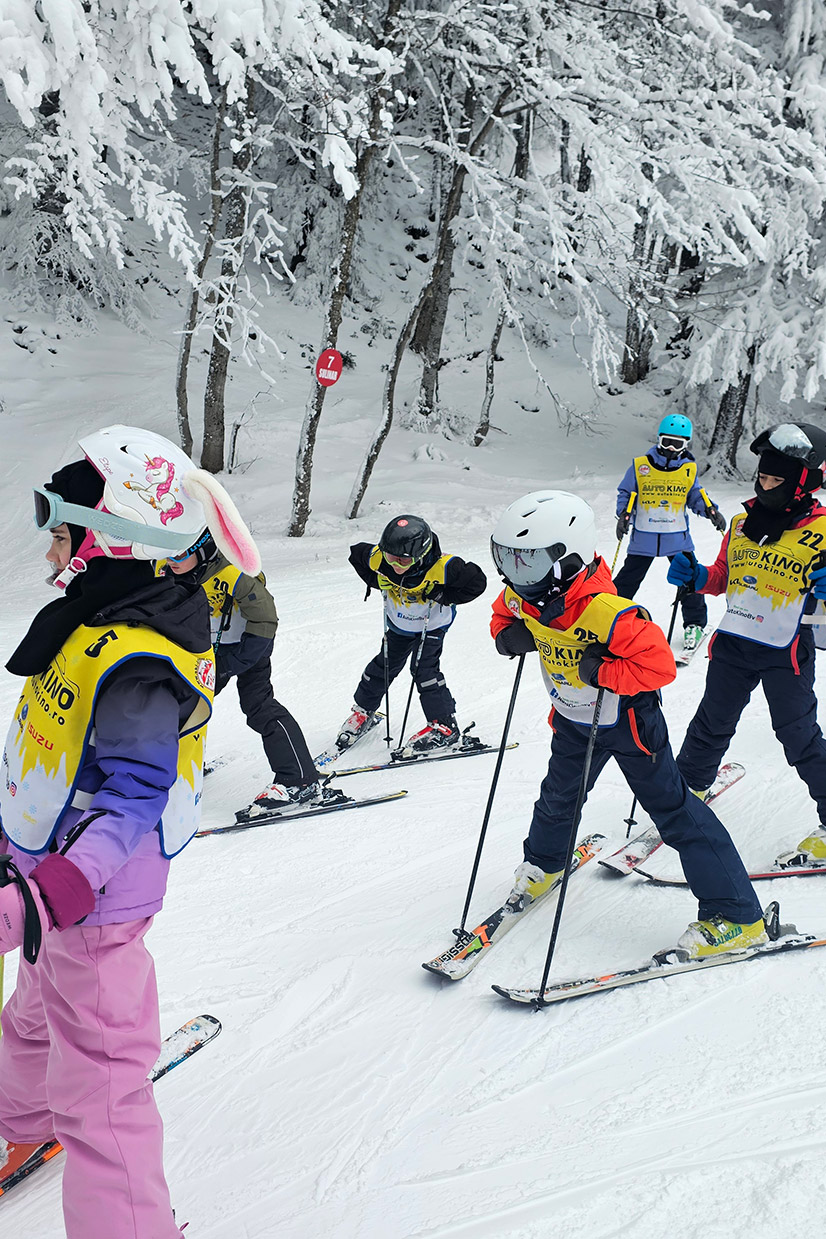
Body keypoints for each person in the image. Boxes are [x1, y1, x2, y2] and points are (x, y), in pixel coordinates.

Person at [0, 424, 257, 1238]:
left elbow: (134, 798)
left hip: (93, 905)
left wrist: (46, 895)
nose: (51, 548)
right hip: (44, 884)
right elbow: (49, 743)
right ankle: (21, 1123)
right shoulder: (92, 621)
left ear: (115, 542)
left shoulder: (140, 665)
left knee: (102, 1090)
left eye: (63, 530)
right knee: (29, 1014)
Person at [490, 489, 765, 959]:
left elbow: (660, 667)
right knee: (558, 797)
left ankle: (737, 914)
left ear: (567, 559)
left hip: (630, 724)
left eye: (529, 562)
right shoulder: (523, 596)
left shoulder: (610, 613)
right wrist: (507, 636)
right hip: (574, 718)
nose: (516, 575)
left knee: (673, 811)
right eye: (508, 560)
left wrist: (602, 671)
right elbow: (502, 614)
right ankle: (545, 863)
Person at [668, 422, 826, 868]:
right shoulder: (741, 523)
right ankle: (689, 788)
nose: (766, 486)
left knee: (798, 736)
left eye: (777, 480)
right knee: (711, 722)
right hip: (735, 641)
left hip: (785, 649)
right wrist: (697, 577)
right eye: (762, 477)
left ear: (802, 484)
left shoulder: (822, 529)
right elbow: (724, 576)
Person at [162, 534, 345, 813]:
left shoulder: (232, 573)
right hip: (205, 650)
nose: (171, 560)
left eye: (179, 554)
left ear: (203, 551)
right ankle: (175, 765)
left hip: (249, 645)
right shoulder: (168, 572)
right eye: (168, 553)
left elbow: (265, 617)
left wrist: (236, 661)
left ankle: (299, 779)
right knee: (184, 704)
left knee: (258, 706)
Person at [337, 515, 487, 752]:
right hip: (399, 623)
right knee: (384, 665)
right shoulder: (379, 557)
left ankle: (445, 726)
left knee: (423, 669)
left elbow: (477, 583)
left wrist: (443, 595)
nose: (395, 564)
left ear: (421, 553)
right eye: (391, 557)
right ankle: (363, 711)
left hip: (432, 625)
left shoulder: (445, 566)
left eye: (403, 560)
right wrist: (375, 580)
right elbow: (356, 554)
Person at [614, 414, 727, 651]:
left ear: (686, 444)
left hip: (676, 537)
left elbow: (695, 495)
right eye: (667, 442)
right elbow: (626, 492)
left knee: (690, 579)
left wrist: (711, 511)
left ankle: (694, 624)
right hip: (644, 537)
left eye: (678, 444)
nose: (671, 449)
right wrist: (624, 515)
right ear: (659, 440)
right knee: (627, 581)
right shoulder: (640, 466)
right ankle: (610, 618)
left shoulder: (688, 469)